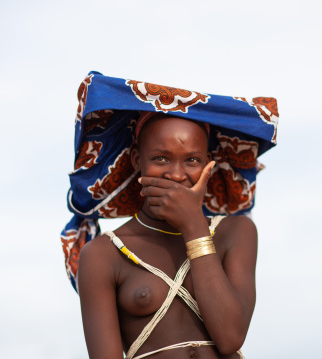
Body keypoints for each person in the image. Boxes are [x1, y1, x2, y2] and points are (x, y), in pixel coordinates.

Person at [60, 71, 279, 359]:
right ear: (138, 161)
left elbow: (230, 338)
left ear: (207, 166)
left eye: (192, 160)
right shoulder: (102, 254)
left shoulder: (236, 233)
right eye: (160, 158)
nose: (176, 175)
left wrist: (194, 227)